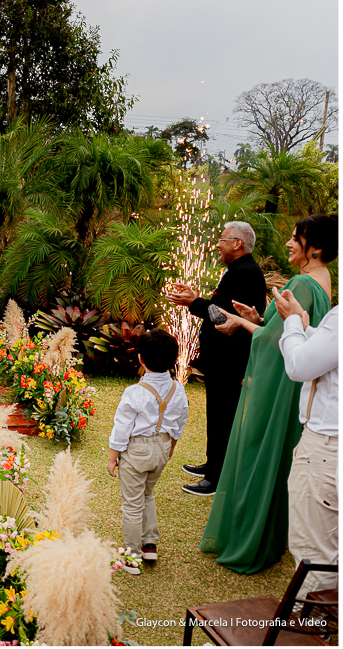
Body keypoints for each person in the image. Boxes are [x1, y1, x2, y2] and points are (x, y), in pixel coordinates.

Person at [199, 214, 335, 574]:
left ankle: (249, 538)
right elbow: (292, 330)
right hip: (292, 384)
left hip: (276, 383)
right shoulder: (324, 282)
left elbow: (276, 341)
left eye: (295, 238)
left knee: (256, 449)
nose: (288, 243)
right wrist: (258, 319)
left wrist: (242, 324)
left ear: (315, 248)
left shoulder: (302, 283)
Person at [165, 221, 267, 496]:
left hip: (229, 360)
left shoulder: (245, 273)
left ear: (238, 243)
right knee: (217, 414)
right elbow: (220, 309)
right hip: (221, 358)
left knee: (223, 416)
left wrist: (193, 302)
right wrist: (195, 299)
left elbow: (224, 317)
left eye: (222, 239)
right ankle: (213, 464)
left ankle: (216, 478)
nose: (218, 244)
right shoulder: (238, 271)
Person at [107, 329, 188, 573]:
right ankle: (149, 544)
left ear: (140, 358)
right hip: (162, 447)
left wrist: (113, 457)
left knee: (132, 504)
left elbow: (122, 428)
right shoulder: (178, 389)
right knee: (147, 494)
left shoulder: (135, 392)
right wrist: (171, 447)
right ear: (175, 360)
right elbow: (180, 420)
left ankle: (131, 557)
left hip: (137, 450)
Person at [276, 287, 338, 597]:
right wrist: (304, 325)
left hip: (327, 447)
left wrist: (291, 323)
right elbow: (330, 351)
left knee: (314, 549)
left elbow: (299, 366)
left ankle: (311, 621)